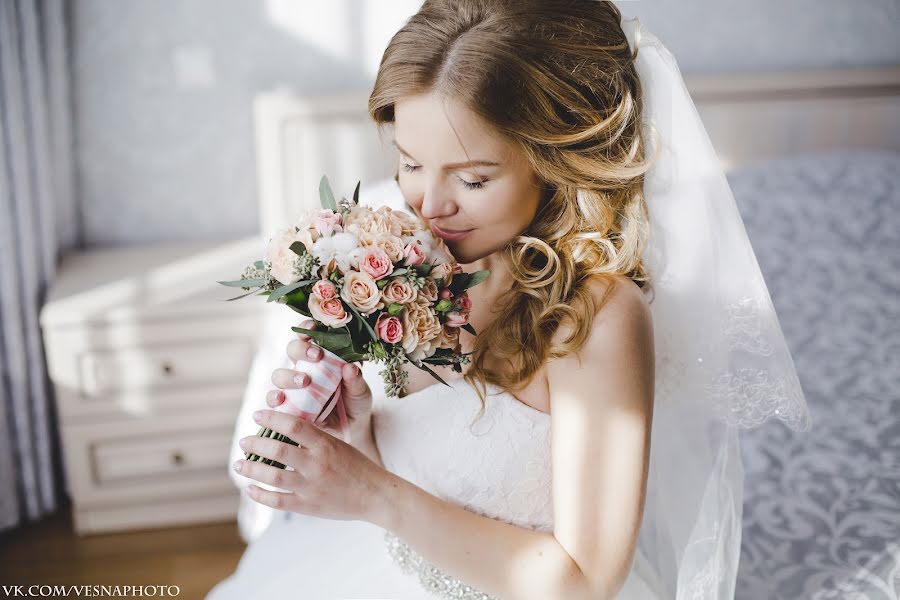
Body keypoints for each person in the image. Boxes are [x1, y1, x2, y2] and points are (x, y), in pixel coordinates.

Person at [207, 1, 810, 599]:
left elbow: (587, 581)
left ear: (556, 164)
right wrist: (360, 439)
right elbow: (428, 483)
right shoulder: (416, 264)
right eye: (411, 163)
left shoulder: (596, 317)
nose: (428, 204)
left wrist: (368, 492)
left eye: (472, 179)